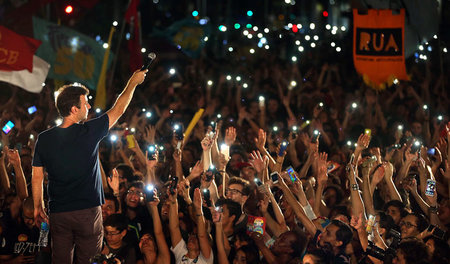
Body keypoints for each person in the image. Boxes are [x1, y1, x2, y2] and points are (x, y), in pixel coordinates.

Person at [31, 69, 148, 263]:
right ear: (74, 109)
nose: (89, 106)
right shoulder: (88, 132)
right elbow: (118, 109)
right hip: (87, 213)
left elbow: (36, 176)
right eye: (85, 103)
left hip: (58, 213)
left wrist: (38, 207)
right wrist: (133, 83)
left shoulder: (43, 139)